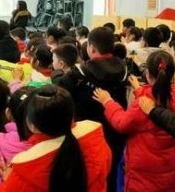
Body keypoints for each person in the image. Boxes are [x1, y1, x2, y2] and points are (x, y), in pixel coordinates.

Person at [93, 50, 175, 192]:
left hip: (144, 173)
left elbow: (122, 123)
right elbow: (157, 98)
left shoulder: (143, 103)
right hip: (168, 167)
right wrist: (140, 90)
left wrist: (108, 102)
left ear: (147, 74)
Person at [0, 85, 112, 192]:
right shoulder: (96, 139)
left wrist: (8, 181)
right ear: (71, 115)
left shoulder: (23, 172)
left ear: (32, 126)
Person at [55, 26, 128, 192]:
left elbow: (59, 91)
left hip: (87, 133)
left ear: (92, 48)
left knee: (85, 177)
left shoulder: (79, 72)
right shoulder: (123, 68)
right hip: (115, 131)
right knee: (110, 174)